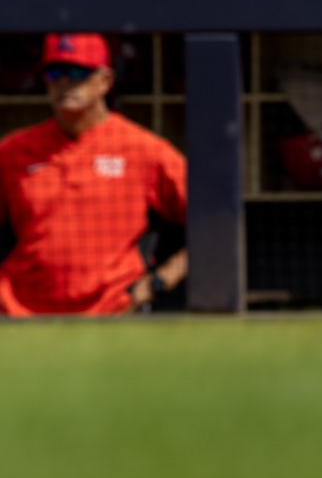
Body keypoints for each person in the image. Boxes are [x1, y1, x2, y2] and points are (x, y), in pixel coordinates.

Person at [0, 34, 187, 316]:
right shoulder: (13, 150)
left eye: (77, 72)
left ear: (105, 81)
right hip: (22, 315)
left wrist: (158, 282)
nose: (64, 83)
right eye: (55, 73)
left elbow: (217, 222)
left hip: (113, 313)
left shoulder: (143, 149)